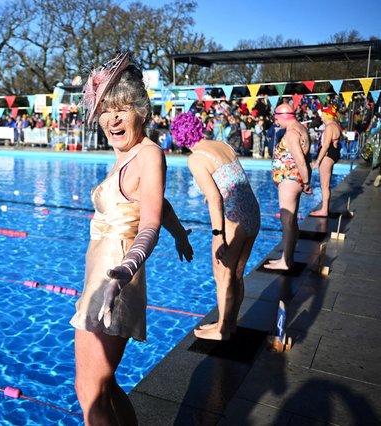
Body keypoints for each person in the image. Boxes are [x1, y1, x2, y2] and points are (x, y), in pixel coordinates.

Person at [70, 51, 192, 424]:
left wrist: (126, 268)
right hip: (101, 280)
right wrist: (181, 234)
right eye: (106, 110)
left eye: (122, 108)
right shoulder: (127, 154)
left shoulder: (148, 154)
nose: (113, 118)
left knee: (89, 391)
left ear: (141, 110)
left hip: (116, 278)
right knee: (104, 386)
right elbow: (159, 204)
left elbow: (148, 224)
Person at [171, 112, 260, 340]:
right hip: (252, 211)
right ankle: (229, 324)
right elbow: (231, 178)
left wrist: (218, 235)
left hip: (233, 218)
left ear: (179, 137)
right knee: (237, 273)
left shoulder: (195, 159)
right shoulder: (222, 145)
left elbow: (214, 197)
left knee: (222, 275)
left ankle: (221, 329)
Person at [265, 103, 312, 271]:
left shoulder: (292, 133)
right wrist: (305, 180)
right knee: (291, 222)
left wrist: (306, 182)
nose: (275, 121)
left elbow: (300, 160)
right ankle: (287, 258)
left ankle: (286, 261)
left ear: (284, 116)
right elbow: (306, 159)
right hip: (293, 179)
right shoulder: (301, 128)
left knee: (287, 222)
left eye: (276, 118)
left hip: (289, 180)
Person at [309, 105, 343, 217]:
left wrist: (318, 161)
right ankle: (325, 208)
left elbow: (325, 146)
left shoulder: (329, 127)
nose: (321, 117)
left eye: (322, 115)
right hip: (333, 154)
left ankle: (324, 210)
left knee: (324, 185)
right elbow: (337, 142)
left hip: (327, 156)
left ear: (326, 115)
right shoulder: (336, 126)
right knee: (326, 185)